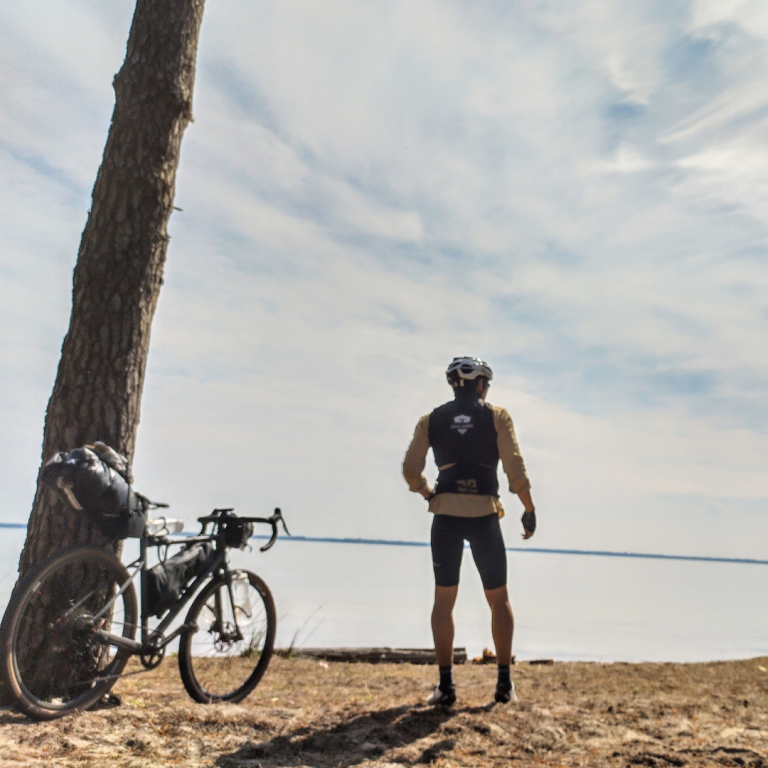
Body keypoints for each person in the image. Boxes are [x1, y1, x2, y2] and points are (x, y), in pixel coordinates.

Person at [402, 356, 536, 706]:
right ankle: (504, 686)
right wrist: (528, 507)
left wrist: (427, 491)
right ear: (480, 384)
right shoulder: (497, 416)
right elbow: (513, 466)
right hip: (484, 515)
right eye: (487, 384)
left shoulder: (431, 420)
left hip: (445, 515)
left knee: (443, 600)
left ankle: (446, 686)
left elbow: (409, 469)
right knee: (499, 599)